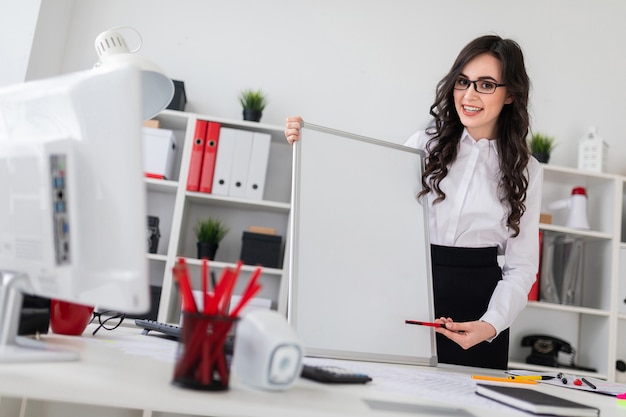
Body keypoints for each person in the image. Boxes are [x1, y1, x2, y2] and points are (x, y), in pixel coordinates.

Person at [284, 34, 543, 370]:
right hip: (409, 294)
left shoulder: (528, 170)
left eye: (486, 84)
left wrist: (490, 324)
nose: (469, 94)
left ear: (510, 94)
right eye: (463, 81)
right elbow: (371, 209)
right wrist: (311, 145)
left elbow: (521, 267)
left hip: (479, 311)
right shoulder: (424, 144)